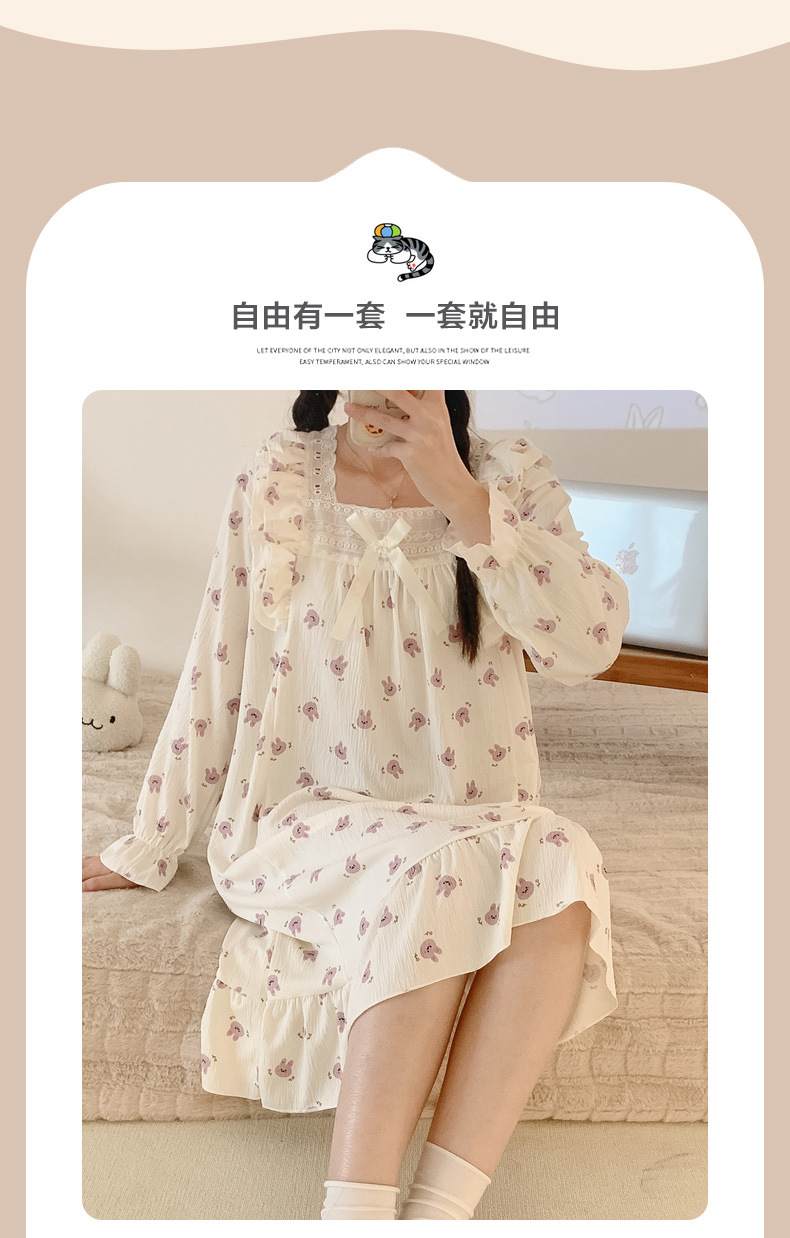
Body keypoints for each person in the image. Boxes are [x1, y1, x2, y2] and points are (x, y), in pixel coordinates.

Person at [83, 390, 630, 1220]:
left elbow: (590, 647)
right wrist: (151, 840)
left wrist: (460, 495)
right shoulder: (280, 479)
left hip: (472, 820)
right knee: (445, 873)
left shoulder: (507, 479)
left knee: (563, 858)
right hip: (302, 821)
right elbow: (216, 664)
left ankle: (436, 1217)